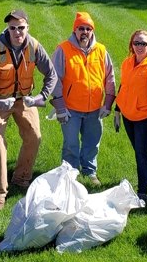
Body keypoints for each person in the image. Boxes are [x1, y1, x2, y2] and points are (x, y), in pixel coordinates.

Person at [0, 9, 57, 210]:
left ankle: (21, 179)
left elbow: (52, 74)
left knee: (34, 136)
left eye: (21, 28)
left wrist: (41, 97)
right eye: (13, 28)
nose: (17, 32)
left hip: (24, 99)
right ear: (8, 29)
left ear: (27, 27)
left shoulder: (35, 46)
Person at [50, 12, 116, 186]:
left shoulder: (101, 50)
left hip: (95, 109)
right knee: (71, 145)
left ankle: (89, 172)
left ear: (92, 31)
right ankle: (69, 175)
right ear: (75, 30)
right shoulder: (63, 49)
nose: (85, 32)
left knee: (92, 143)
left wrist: (107, 103)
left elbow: (110, 77)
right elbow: (54, 79)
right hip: (70, 109)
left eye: (88, 28)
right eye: (81, 28)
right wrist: (60, 108)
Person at [114, 30, 147, 202]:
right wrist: (117, 111)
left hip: (144, 118)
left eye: (143, 43)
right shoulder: (127, 63)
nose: (139, 47)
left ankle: (142, 192)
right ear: (131, 45)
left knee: (140, 154)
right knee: (139, 150)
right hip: (128, 116)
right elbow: (123, 87)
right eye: (136, 43)